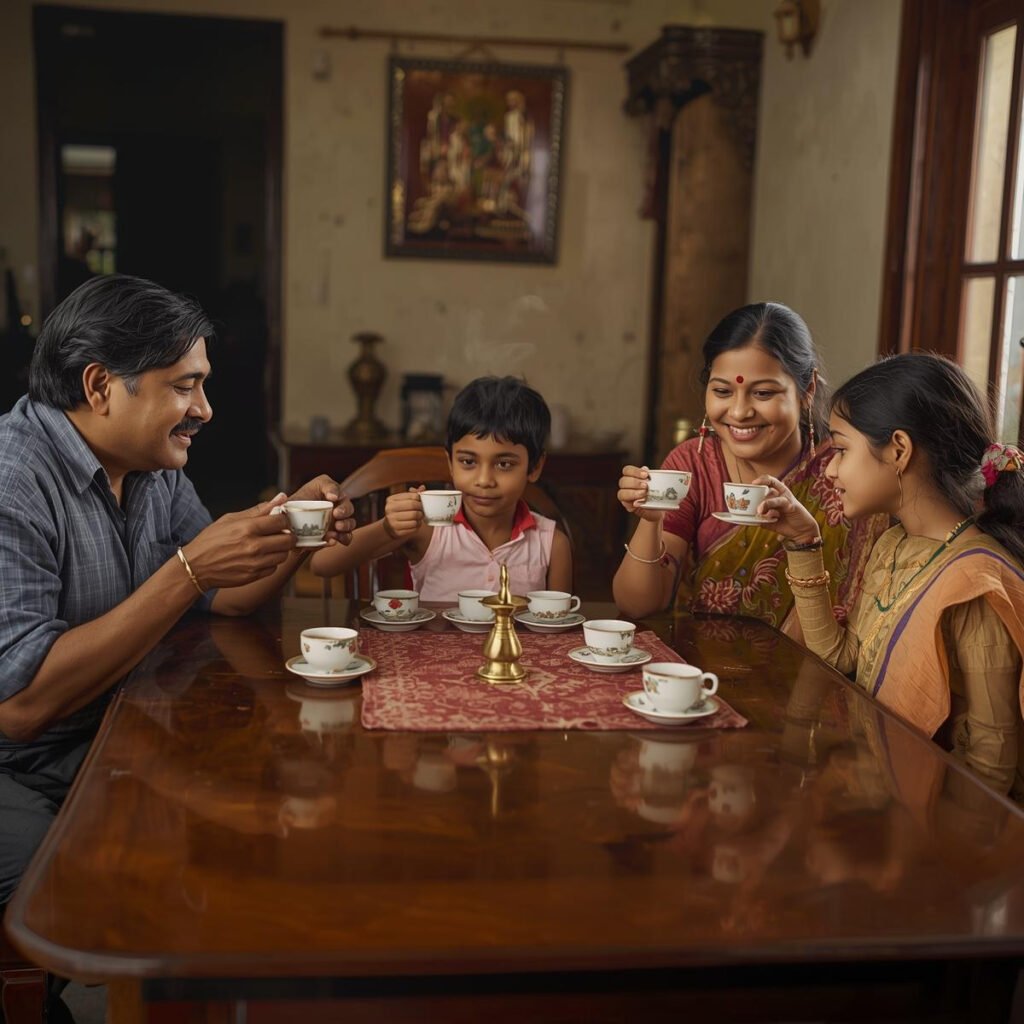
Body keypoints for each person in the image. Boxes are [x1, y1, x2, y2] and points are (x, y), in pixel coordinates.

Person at [0, 275, 356, 910]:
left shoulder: (148, 463)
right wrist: (187, 569)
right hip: (16, 762)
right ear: (100, 386)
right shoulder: (13, 480)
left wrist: (294, 529)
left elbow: (229, 596)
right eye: (184, 386)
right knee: (61, 882)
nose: (205, 410)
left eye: (204, 384)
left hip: (110, 730)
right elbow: (21, 707)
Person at [755, 353, 1024, 799]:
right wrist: (804, 544)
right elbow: (844, 664)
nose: (832, 469)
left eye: (841, 449)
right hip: (877, 791)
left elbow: (990, 767)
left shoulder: (974, 581)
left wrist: (914, 846)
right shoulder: (894, 545)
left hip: (932, 826)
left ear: (899, 450)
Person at [613, 302, 884, 631]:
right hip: (700, 667)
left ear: (807, 389)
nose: (740, 412)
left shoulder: (842, 470)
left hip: (812, 670)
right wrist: (651, 519)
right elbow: (637, 605)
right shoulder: (692, 466)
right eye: (723, 391)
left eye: (763, 392)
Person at [312, 375, 572, 602]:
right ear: (450, 462)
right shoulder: (427, 529)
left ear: (535, 467)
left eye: (504, 464)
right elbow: (322, 564)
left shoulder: (551, 544)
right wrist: (387, 528)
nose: (483, 480)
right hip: (429, 658)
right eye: (468, 462)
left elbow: (557, 634)